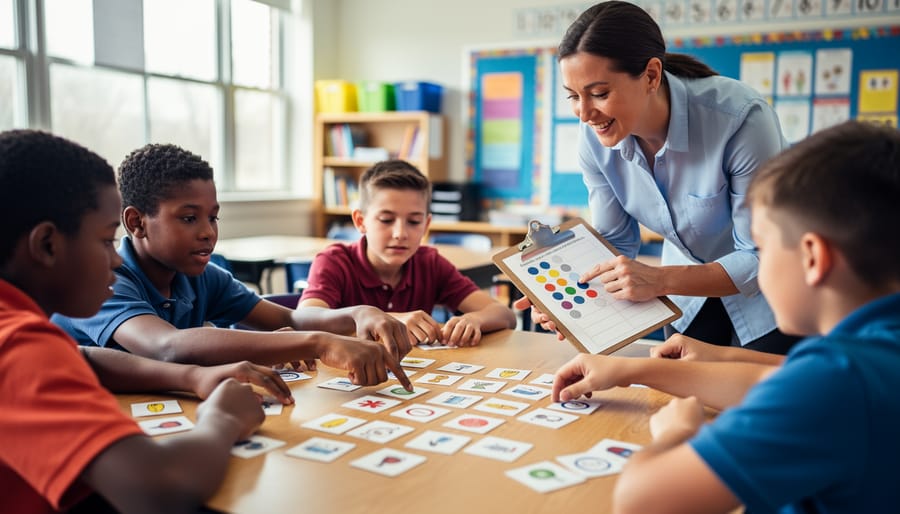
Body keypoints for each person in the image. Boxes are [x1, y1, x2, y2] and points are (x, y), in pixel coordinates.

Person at [551, 120, 900, 513]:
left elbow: (643, 501)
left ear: (813, 258)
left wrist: (677, 435)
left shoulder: (835, 381)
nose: (758, 268)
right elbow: (774, 377)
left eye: (763, 250)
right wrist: (632, 370)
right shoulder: (870, 352)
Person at [0, 129, 299, 514]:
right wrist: (222, 419)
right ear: (47, 245)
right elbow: (161, 490)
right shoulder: (17, 345)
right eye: (107, 240)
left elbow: (81, 358)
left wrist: (192, 377)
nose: (116, 259)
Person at [516, 1, 798, 354]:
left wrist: (658, 279)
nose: (585, 113)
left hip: (773, 297)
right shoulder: (596, 138)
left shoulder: (740, 120)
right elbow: (614, 241)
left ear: (651, 75)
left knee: (760, 400)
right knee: (683, 397)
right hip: (687, 297)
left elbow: (759, 255)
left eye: (600, 93)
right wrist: (568, 296)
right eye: (573, 96)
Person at [52, 143, 412, 390]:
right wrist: (316, 343)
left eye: (213, 217)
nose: (208, 232)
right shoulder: (103, 281)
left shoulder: (202, 278)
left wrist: (358, 314)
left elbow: (287, 319)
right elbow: (167, 346)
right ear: (137, 222)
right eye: (189, 218)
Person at [298, 159, 516, 347]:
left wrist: (475, 319)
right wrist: (386, 320)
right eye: (386, 220)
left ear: (426, 225)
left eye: (413, 221)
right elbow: (305, 319)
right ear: (360, 221)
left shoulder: (429, 263)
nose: (400, 233)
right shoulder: (335, 261)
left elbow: (504, 315)